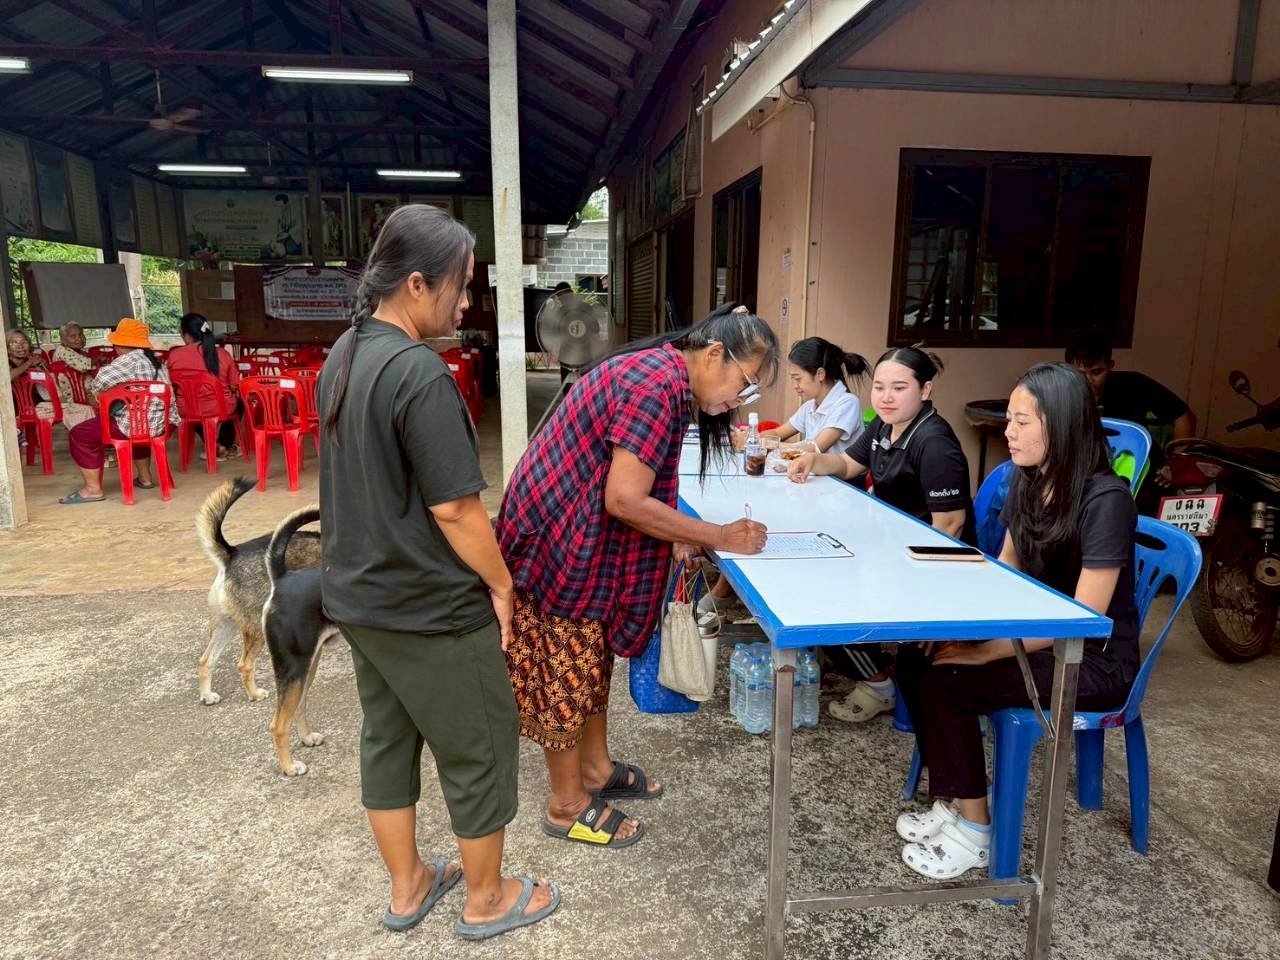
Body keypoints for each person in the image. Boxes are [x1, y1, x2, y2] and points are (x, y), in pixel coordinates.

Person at [316, 204, 560, 939]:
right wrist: (502, 583)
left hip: (359, 598)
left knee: (387, 738)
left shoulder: (345, 353)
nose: (465, 302)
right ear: (416, 284)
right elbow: (455, 510)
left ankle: (409, 884)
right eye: (459, 286)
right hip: (429, 606)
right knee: (477, 744)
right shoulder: (418, 372)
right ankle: (487, 898)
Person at [496, 302, 774, 848]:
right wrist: (717, 535)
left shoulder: (667, 376)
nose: (740, 400)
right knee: (568, 664)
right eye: (745, 383)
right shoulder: (656, 385)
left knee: (594, 653)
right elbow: (624, 498)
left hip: (580, 528)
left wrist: (674, 531)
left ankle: (595, 768)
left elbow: (639, 480)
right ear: (714, 355)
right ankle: (566, 804)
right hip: (560, 537)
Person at [892, 362, 1138, 880]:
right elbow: (1006, 571)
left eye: (1022, 422)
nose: (1009, 432)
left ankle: (976, 831)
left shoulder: (1106, 501)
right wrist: (949, 622)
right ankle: (961, 798)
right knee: (917, 655)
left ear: (1062, 426)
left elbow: (1085, 620)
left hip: (1091, 660)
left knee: (950, 679)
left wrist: (987, 650)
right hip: (1035, 632)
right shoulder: (1028, 480)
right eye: (1010, 419)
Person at [788, 347, 976, 723]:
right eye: (879, 387)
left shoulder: (934, 443)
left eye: (899, 388)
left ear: (925, 390)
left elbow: (950, 526)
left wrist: (914, 587)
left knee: (822, 598)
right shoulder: (884, 427)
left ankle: (878, 684)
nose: (886, 397)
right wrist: (813, 460)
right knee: (806, 574)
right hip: (888, 549)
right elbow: (847, 463)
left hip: (925, 565)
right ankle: (870, 662)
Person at [701, 335, 870, 620]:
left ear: (819, 374)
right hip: (810, 484)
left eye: (797, 378)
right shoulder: (811, 405)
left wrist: (762, 444)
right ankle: (735, 588)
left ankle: (735, 592)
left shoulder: (846, 403)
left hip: (842, 492)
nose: (795, 386)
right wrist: (752, 437)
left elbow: (816, 448)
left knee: (776, 523)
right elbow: (780, 433)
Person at [59, 317, 179, 505]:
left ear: (123, 344)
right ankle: (145, 478)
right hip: (164, 425)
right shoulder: (156, 360)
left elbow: (99, 381)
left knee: (79, 434)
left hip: (135, 426)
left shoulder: (128, 360)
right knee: (139, 425)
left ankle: (92, 490)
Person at [1065, 331, 1195, 443]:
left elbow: (1183, 417)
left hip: (1136, 459)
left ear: (1110, 366)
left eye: (1096, 372)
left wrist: (1175, 459)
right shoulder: (1061, 393)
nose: (1088, 381)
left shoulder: (1134, 384)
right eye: (1080, 373)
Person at [167, 312, 242, 460]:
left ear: (187, 336)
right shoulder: (222, 354)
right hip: (220, 407)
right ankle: (224, 444)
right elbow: (234, 386)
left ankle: (213, 444)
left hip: (186, 408)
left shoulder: (174, 355)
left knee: (193, 407)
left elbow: (171, 385)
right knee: (239, 405)